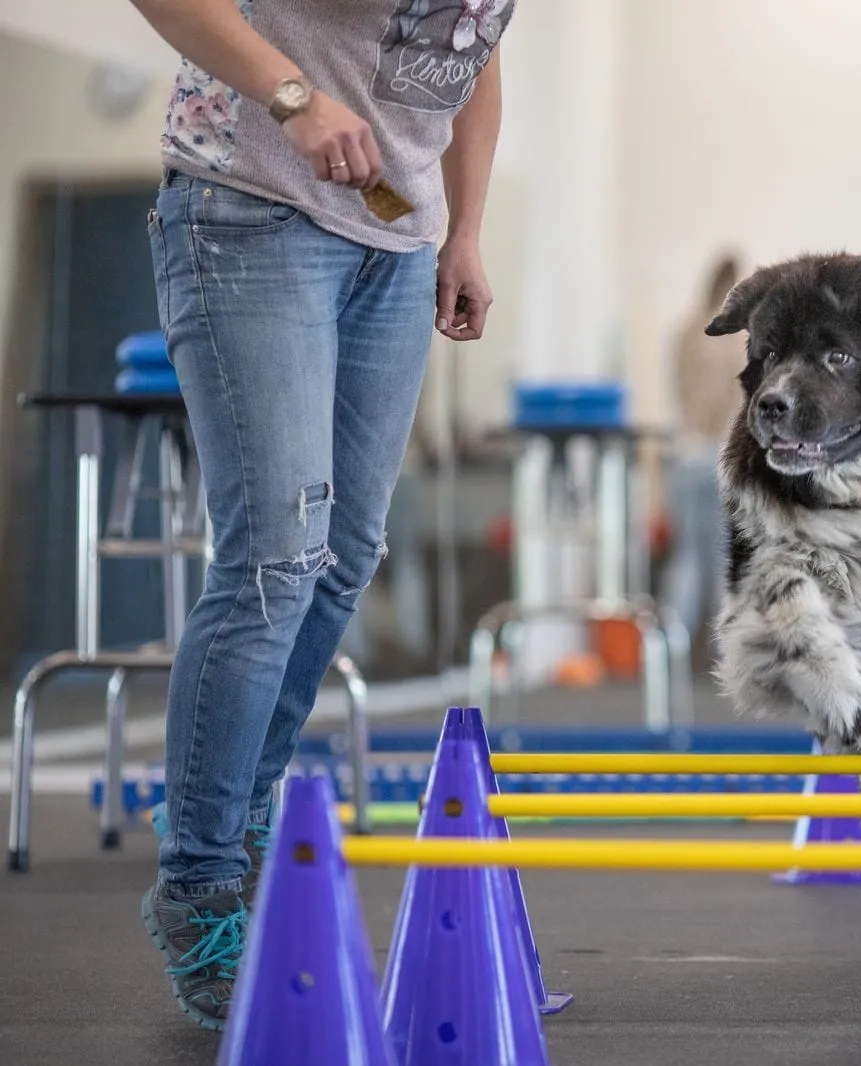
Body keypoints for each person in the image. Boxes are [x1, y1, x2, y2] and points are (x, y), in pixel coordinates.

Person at [130, 0, 511, 1030]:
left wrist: (464, 229)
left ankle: (244, 832)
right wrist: (289, 94)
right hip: (249, 207)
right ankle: (202, 881)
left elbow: (474, 59)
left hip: (395, 236)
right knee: (273, 560)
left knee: (343, 557)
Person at [663, 253, 747, 664]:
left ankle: (669, 651)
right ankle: (721, 655)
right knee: (722, 557)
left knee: (684, 558)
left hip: (686, 449)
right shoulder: (740, 339)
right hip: (723, 454)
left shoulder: (684, 333)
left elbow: (678, 392)